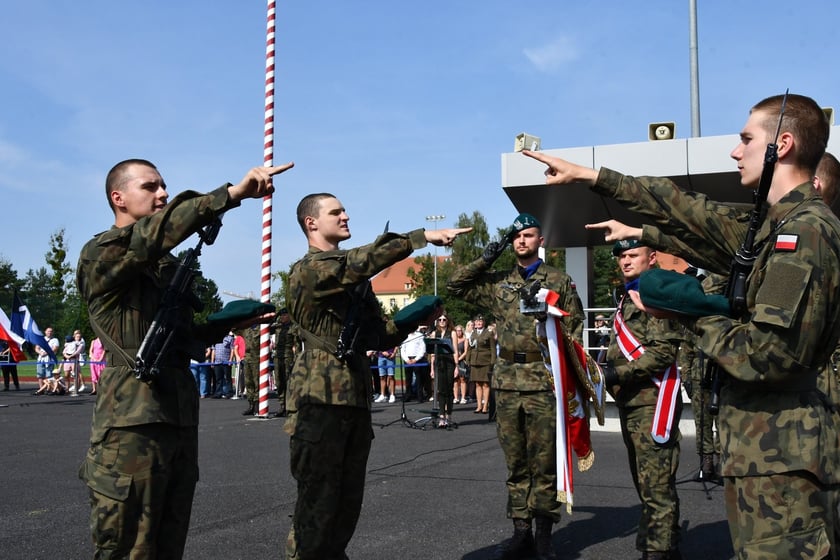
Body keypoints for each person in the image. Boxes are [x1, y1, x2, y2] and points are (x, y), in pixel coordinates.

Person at [523, 93, 840, 558]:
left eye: (747, 139)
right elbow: (688, 209)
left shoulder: (805, 232)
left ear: (783, 145)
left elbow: (766, 356)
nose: (736, 151)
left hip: (784, 461)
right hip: (768, 455)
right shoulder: (775, 225)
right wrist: (596, 178)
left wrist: (691, 312)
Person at [76, 157, 292, 558]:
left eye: (164, 186)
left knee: (167, 545)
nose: (162, 193)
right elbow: (150, 238)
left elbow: (182, 340)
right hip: (130, 427)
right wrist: (230, 195)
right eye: (150, 186)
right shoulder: (101, 254)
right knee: (127, 548)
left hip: (176, 418)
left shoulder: (163, 266)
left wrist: (225, 322)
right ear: (118, 197)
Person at [284, 191, 470, 560]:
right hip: (319, 402)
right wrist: (420, 238)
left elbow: (378, 335)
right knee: (316, 508)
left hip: (353, 397)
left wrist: (413, 318)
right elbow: (359, 261)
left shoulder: (351, 282)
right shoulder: (310, 270)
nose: (346, 216)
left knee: (346, 505)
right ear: (311, 223)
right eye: (336, 212)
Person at [447, 212, 588, 560]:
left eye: (528, 235)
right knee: (515, 463)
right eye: (516, 236)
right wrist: (486, 255)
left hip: (543, 380)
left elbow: (577, 330)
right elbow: (455, 286)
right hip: (508, 381)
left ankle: (543, 535)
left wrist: (552, 324)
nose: (521, 241)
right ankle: (520, 531)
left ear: (540, 240)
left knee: (544, 462)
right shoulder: (499, 282)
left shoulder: (558, 280)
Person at [610, 239, 684, 559]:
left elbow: (663, 353)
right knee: (647, 485)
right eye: (622, 256)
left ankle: (659, 551)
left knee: (656, 487)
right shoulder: (630, 295)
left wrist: (618, 374)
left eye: (633, 255)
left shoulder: (657, 292)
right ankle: (663, 545)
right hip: (632, 401)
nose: (626, 261)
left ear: (651, 258)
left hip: (653, 400)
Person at [429, 315, 457, 427]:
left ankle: (449, 415)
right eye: (439, 320)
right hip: (439, 363)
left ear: (447, 321)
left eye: (444, 319)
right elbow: (432, 354)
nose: (442, 321)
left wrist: (456, 367)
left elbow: (455, 350)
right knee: (440, 390)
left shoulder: (452, 333)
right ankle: (442, 416)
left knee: (449, 390)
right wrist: (432, 368)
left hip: (449, 362)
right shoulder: (434, 334)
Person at [467, 314, 495, 414]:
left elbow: (492, 348)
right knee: (477, 384)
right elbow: (470, 348)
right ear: (474, 323)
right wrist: (468, 360)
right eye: (477, 321)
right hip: (475, 361)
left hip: (485, 361)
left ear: (484, 323)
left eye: (481, 321)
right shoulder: (473, 333)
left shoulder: (489, 333)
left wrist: (492, 361)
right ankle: (479, 406)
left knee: (485, 384)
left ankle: (485, 406)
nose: (479, 323)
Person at [271, 307, 294, 417]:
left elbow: (297, 344)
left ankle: (289, 406)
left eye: (285, 315)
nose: (282, 317)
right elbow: (267, 328)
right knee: (279, 382)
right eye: (281, 315)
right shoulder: (277, 326)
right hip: (277, 356)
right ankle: (282, 405)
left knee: (288, 381)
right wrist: (275, 316)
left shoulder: (293, 327)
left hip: (288, 355)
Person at [400, 325, 427, 402]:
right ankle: (408, 395)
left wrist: (416, 359)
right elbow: (402, 349)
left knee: (419, 379)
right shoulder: (405, 336)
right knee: (408, 379)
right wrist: (406, 359)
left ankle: (420, 396)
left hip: (417, 359)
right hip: (407, 359)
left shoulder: (419, 336)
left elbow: (422, 349)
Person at [240, 324, 261, 416]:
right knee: (248, 382)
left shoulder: (261, 328)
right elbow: (235, 329)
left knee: (257, 382)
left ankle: (257, 405)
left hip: (257, 358)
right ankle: (251, 405)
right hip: (247, 358)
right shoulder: (246, 329)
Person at [34, 326, 60, 394]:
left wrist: (46, 353)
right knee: (40, 375)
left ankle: (50, 389)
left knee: (49, 375)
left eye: (51, 331)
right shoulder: (41, 339)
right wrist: (40, 353)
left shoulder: (55, 340)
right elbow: (37, 348)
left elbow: (55, 348)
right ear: (45, 332)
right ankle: (41, 389)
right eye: (48, 331)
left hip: (49, 359)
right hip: (41, 359)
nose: (49, 332)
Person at [211, 332, 234, 399]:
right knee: (218, 379)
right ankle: (218, 393)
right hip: (217, 362)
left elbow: (232, 349)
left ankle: (229, 393)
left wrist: (230, 359)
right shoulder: (215, 339)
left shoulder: (230, 338)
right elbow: (213, 350)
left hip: (226, 362)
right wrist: (212, 361)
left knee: (228, 378)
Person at [452, 323, 469, 404]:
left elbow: (466, 352)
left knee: (462, 379)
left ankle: (463, 397)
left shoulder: (465, 339)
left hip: (462, 361)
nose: (458, 332)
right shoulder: (453, 339)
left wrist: (458, 359)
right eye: (457, 331)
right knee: (455, 380)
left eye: (460, 331)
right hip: (454, 361)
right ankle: (455, 397)